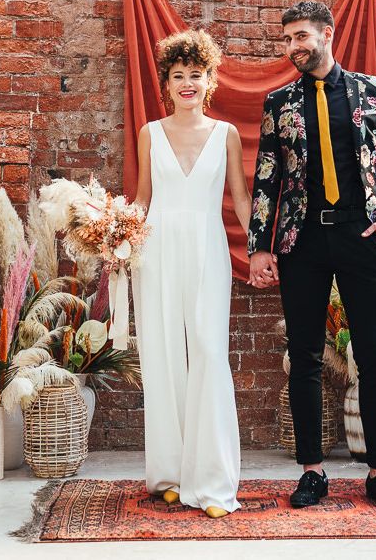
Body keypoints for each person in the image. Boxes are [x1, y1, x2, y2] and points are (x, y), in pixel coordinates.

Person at [248, 1, 376, 511]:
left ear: (327, 33)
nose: (294, 47)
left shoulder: (371, 91)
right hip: (303, 242)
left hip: (362, 239)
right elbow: (267, 177)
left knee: (374, 356)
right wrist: (260, 245)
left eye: (302, 36)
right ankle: (311, 471)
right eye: (289, 39)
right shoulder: (280, 101)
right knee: (304, 356)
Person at [132, 29, 251, 518]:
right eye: (177, 75)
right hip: (155, 250)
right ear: (166, 83)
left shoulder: (226, 135)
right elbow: (142, 198)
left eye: (195, 75)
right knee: (160, 356)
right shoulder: (149, 133)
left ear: (209, 80)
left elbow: (241, 200)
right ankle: (170, 476)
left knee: (206, 351)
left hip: (207, 250)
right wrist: (114, 232)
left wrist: (264, 248)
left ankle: (213, 481)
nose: (186, 83)